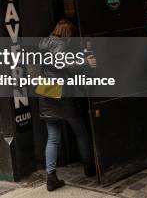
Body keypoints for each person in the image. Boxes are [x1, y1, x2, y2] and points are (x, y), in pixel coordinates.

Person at [38, 19, 96, 191]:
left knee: (53, 137)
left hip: (46, 93)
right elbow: (62, 64)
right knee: (80, 132)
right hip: (61, 94)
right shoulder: (61, 45)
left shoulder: (44, 42)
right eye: (72, 35)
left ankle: (51, 177)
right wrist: (86, 63)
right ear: (67, 34)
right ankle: (89, 167)